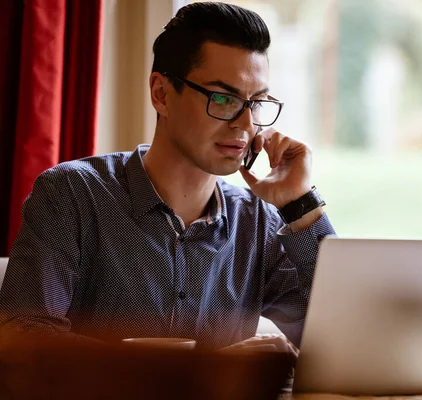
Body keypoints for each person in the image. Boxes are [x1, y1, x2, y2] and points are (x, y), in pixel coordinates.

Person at [0, 2, 335, 353]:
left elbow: (338, 339)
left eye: (256, 102)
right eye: (222, 98)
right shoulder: (71, 195)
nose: (246, 124)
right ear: (161, 94)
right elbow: (23, 339)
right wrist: (202, 375)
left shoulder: (257, 225)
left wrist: (300, 204)